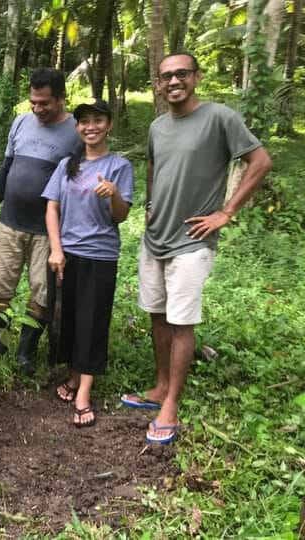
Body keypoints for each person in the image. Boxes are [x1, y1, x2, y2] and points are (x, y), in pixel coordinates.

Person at [121, 52, 272, 444]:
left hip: (192, 240)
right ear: (158, 83)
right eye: (165, 76)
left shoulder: (219, 117)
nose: (173, 81)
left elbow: (260, 161)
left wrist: (227, 212)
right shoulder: (157, 126)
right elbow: (154, 166)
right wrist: (151, 204)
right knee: (156, 314)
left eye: (181, 74)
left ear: (196, 76)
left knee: (181, 320)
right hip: (156, 237)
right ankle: (159, 387)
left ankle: (172, 402)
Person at [0, 68, 81, 375]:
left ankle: (25, 352)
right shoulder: (20, 122)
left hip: (48, 230)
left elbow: (78, 181)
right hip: (9, 223)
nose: (37, 109)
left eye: (44, 103)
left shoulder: (76, 130)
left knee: (43, 293)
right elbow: (6, 169)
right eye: (33, 102)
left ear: (61, 98)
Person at [43, 99, 134, 428]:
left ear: (109, 125)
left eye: (98, 120)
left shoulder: (119, 166)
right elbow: (52, 207)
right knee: (68, 319)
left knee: (92, 322)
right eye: (84, 121)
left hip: (100, 255)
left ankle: (83, 393)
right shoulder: (67, 164)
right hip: (67, 254)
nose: (90, 126)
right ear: (77, 127)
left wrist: (113, 194)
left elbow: (121, 216)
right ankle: (72, 378)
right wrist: (56, 249)